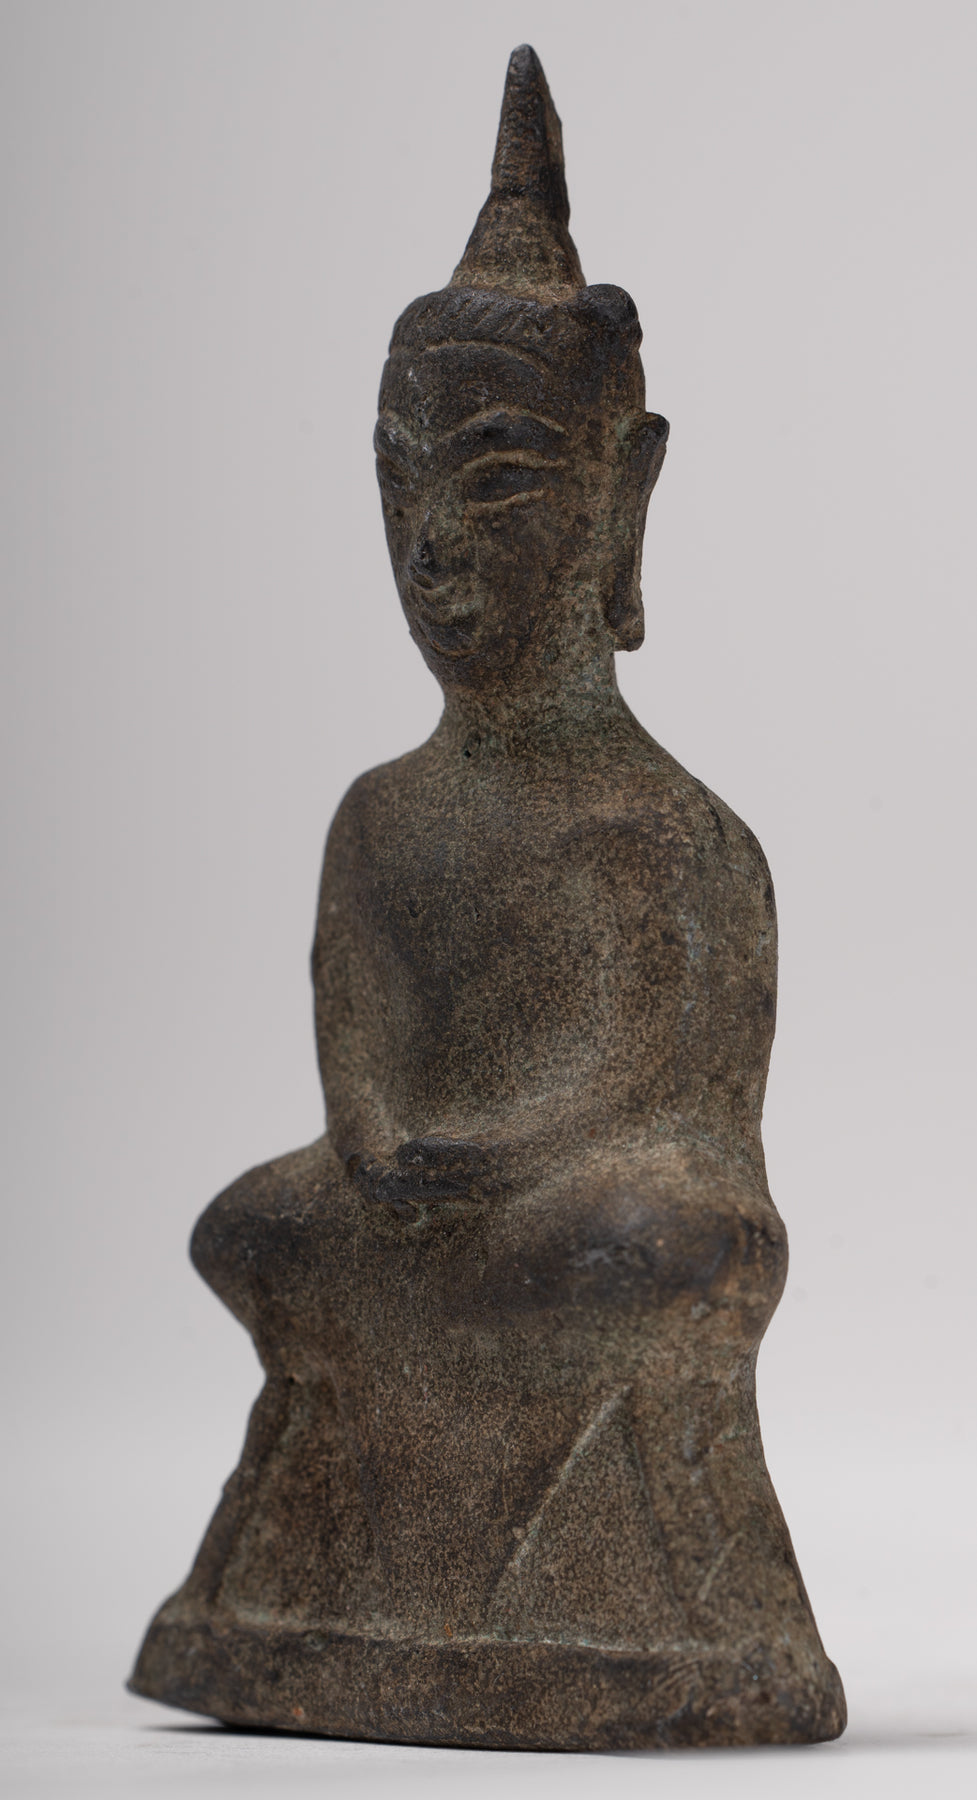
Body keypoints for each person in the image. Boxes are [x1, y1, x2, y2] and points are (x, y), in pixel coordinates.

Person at [131, 46, 844, 1748]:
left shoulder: (678, 836)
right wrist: (381, 1142)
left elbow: (679, 1097)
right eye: (399, 485)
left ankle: (657, 1609)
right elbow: (358, 1043)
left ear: (621, 500)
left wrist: (506, 1153)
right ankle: (296, 1602)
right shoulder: (381, 818)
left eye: (497, 480)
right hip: (415, 1205)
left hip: (573, 1208)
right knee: (255, 1227)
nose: (433, 544)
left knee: (662, 1242)